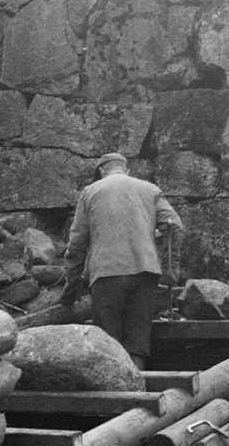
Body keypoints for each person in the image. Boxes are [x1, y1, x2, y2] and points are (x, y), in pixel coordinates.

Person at [60, 153, 183, 368]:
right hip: (146, 274)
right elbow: (173, 226)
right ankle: (138, 393)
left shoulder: (91, 192)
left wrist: (71, 287)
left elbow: (77, 242)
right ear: (127, 170)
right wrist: (170, 269)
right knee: (137, 342)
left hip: (107, 275)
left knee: (108, 344)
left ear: (100, 171)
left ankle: (113, 396)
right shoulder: (150, 189)